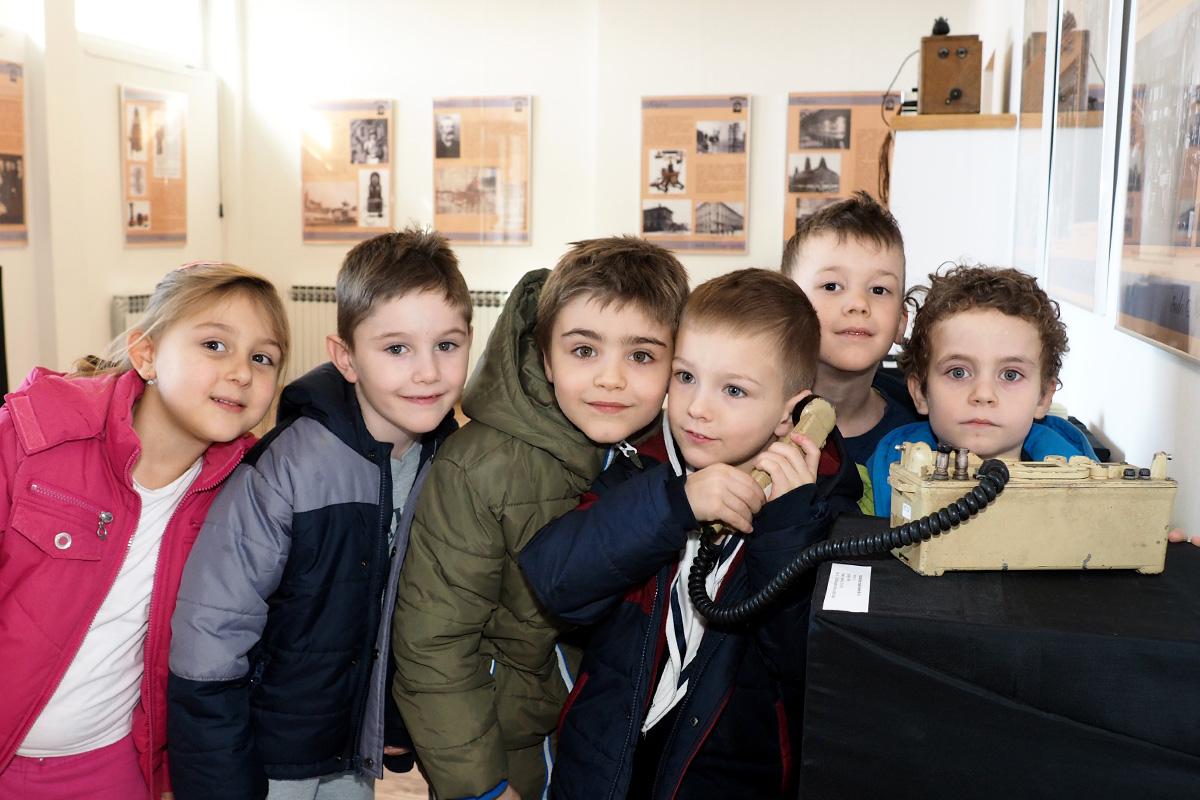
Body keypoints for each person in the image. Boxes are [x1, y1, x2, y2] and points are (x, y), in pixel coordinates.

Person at [518, 268, 863, 800]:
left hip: (725, 778)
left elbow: (804, 663)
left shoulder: (824, 512)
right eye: (685, 377)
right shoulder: (642, 470)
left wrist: (786, 529)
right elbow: (556, 580)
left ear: (791, 414)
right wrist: (673, 505)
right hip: (603, 770)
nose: (698, 408)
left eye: (734, 389)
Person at [167, 228, 470, 800]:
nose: (428, 372)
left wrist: (394, 718)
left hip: (352, 750)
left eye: (447, 345)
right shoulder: (287, 469)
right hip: (268, 751)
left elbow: (411, 606)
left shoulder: (450, 462)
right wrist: (220, 781)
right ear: (345, 358)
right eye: (397, 349)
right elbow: (210, 634)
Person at [391, 237, 689, 800]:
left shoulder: (673, 458)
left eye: (641, 356)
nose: (611, 378)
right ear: (546, 358)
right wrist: (480, 785)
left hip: (607, 742)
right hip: (502, 750)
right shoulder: (478, 467)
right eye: (584, 351)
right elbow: (433, 642)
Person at [0, 263, 289, 800]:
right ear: (146, 354)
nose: (242, 373)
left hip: (114, 767)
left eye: (262, 358)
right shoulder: (32, 438)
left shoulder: (251, 491)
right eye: (215, 345)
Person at [866, 265, 1097, 517]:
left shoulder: (1091, 493)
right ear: (921, 392)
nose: (983, 394)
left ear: (1043, 397)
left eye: (1010, 375)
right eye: (958, 372)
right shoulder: (875, 479)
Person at [782, 191, 919, 513]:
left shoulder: (924, 431)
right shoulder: (746, 421)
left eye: (879, 289)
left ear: (901, 322)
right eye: (832, 286)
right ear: (786, 307)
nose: (858, 304)